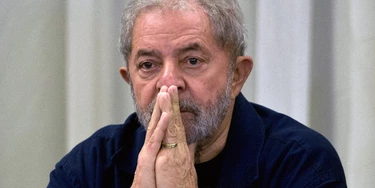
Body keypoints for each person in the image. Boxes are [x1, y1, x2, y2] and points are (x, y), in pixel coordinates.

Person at [48, 0, 346, 187]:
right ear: (129, 80)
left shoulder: (302, 164)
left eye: (192, 61)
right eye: (148, 65)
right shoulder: (87, 168)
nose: (169, 83)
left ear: (236, 76)